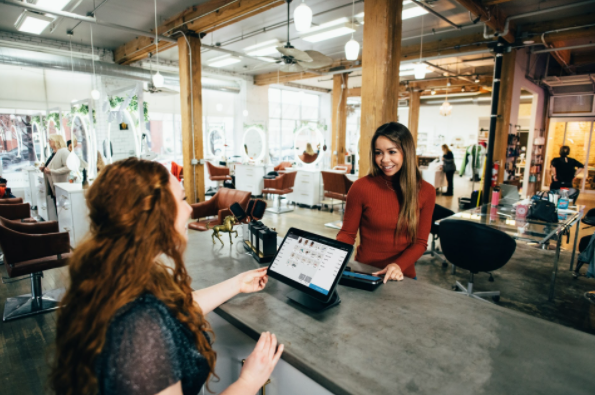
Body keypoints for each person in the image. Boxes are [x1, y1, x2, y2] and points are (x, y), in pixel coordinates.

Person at [50, 158, 283, 395]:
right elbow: (155, 316)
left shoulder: (115, 273)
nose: (190, 209)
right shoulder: (139, 328)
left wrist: (237, 284)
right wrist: (249, 381)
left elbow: (176, 309)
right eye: (182, 199)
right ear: (153, 215)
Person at [337, 122, 436, 282]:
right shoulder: (361, 187)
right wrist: (334, 257)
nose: (384, 159)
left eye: (392, 152)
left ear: (406, 152)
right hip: (365, 273)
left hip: (402, 276)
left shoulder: (426, 191)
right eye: (378, 153)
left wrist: (397, 265)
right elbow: (347, 234)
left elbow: (420, 242)